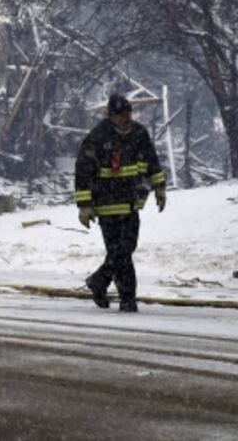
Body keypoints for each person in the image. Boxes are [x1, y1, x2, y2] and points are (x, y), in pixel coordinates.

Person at [74, 93, 166, 312]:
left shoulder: (139, 133)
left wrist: (159, 188)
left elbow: (152, 161)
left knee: (125, 249)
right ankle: (127, 298)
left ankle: (100, 280)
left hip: (132, 203)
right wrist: (85, 206)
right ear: (111, 116)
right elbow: (83, 173)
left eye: (129, 113)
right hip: (106, 204)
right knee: (120, 252)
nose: (127, 118)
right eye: (122, 114)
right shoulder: (97, 137)